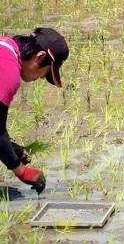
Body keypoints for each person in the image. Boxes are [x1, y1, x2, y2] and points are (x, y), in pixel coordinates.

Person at [1, 28, 69, 194]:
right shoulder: (8, 69)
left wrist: (11, 149)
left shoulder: (4, 46)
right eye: (44, 72)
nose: (39, 78)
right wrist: (21, 171)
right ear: (39, 56)